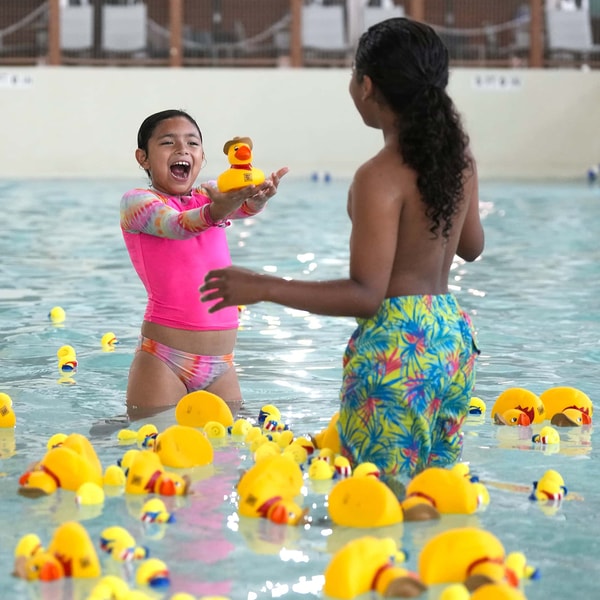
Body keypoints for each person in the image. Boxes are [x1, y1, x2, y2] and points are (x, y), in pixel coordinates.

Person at [200, 18, 484, 480]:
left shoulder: (378, 176)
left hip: (397, 349)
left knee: (375, 499)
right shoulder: (460, 159)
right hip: (452, 344)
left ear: (367, 85)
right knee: (436, 492)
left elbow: (365, 294)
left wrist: (264, 286)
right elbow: (472, 247)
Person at [121, 109, 288, 419]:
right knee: (154, 453)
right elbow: (175, 225)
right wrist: (216, 211)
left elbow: (245, 204)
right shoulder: (138, 202)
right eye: (168, 142)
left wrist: (259, 198)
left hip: (221, 365)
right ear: (143, 158)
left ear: (201, 155)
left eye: (192, 143)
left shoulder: (207, 194)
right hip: (164, 361)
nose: (183, 150)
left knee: (227, 454)